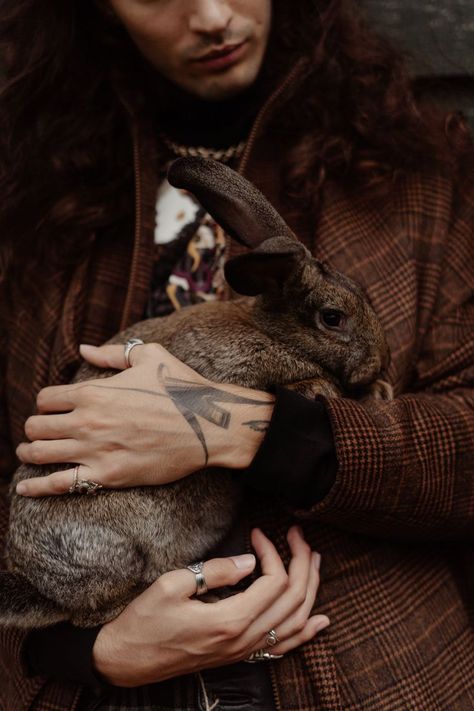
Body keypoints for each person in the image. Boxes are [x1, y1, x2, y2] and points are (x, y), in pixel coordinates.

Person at [0, 0, 473, 709]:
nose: (213, 15)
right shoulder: (29, 199)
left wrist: (241, 429)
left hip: (367, 681)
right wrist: (83, 649)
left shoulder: (425, 173)